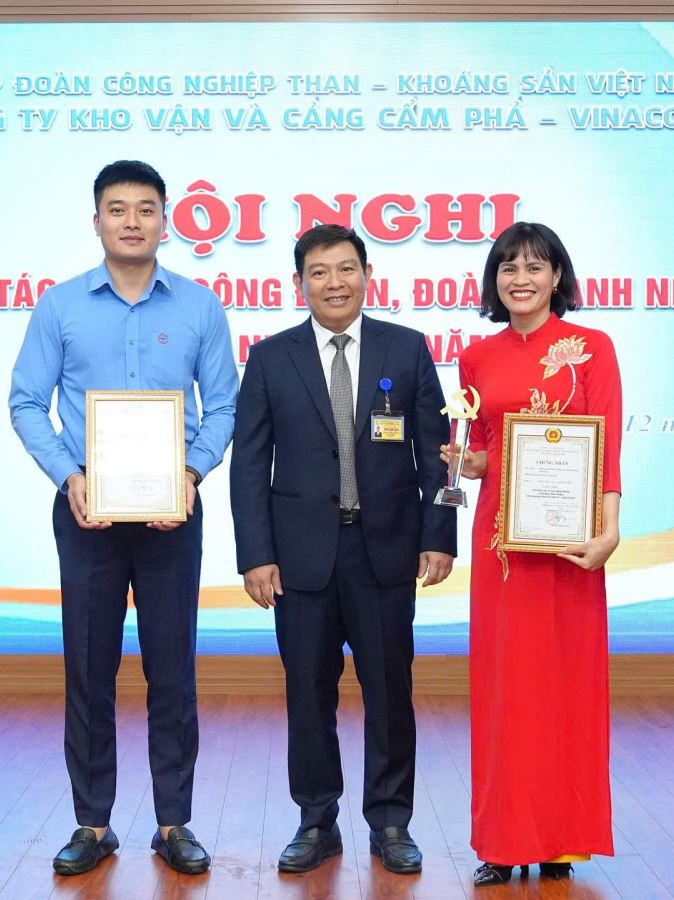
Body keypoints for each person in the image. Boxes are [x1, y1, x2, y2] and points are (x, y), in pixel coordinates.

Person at [8, 160, 237, 877]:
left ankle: (174, 823)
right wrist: (69, 476)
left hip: (174, 513)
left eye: (145, 209)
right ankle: (93, 823)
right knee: (88, 669)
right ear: (96, 220)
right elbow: (26, 401)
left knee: (173, 669)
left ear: (166, 222)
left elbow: (223, 405)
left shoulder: (200, 307)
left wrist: (190, 475)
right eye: (117, 209)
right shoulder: (60, 306)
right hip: (87, 514)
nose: (132, 221)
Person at [230, 224, 456, 875]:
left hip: (385, 552)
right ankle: (315, 819)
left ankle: (391, 822)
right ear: (299, 283)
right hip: (300, 559)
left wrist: (439, 535)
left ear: (367, 274)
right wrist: (255, 554)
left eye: (347, 268)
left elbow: (437, 455)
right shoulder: (270, 358)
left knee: (389, 692)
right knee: (307, 693)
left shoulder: (407, 349)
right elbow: (250, 465)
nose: (335, 282)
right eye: (320, 272)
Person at [445, 222, 622, 886]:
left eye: (534, 267)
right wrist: (466, 461)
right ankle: (502, 839)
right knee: (506, 692)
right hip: (504, 546)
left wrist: (609, 531)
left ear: (557, 277)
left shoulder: (592, 348)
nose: (520, 279)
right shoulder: (476, 358)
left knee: (567, 689)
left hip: (574, 545)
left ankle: (561, 839)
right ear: (494, 281)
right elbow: (484, 452)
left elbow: (607, 446)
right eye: (508, 268)